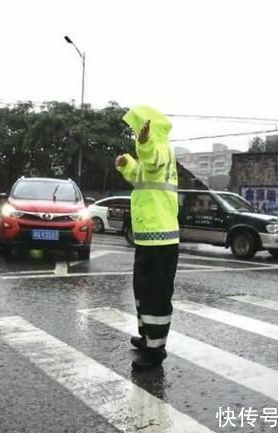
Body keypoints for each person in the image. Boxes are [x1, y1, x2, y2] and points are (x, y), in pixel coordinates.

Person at [115, 105, 179, 370]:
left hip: (161, 240)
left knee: (156, 296)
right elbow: (141, 173)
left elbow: (152, 160)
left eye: (137, 127)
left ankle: (155, 350)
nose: (135, 132)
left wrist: (144, 143)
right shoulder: (150, 154)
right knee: (142, 292)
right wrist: (126, 164)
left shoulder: (161, 148)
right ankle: (147, 337)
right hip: (147, 239)